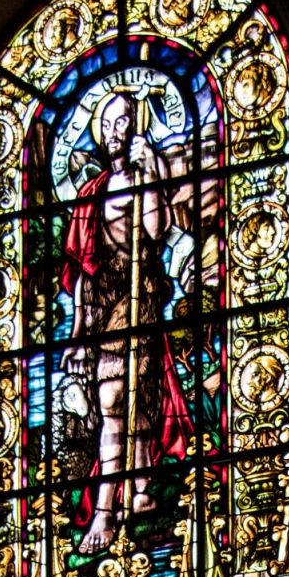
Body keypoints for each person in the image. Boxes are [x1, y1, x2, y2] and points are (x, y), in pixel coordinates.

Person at [60, 90, 194, 552]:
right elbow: (84, 270)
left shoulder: (143, 177)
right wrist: (78, 333)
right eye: (109, 123)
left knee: (135, 398)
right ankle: (111, 506)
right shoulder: (91, 194)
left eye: (124, 121)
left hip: (141, 297)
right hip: (105, 304)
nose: (116, 131)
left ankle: (133, 493)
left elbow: (155, 231)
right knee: (115, 400)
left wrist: (151, 174)